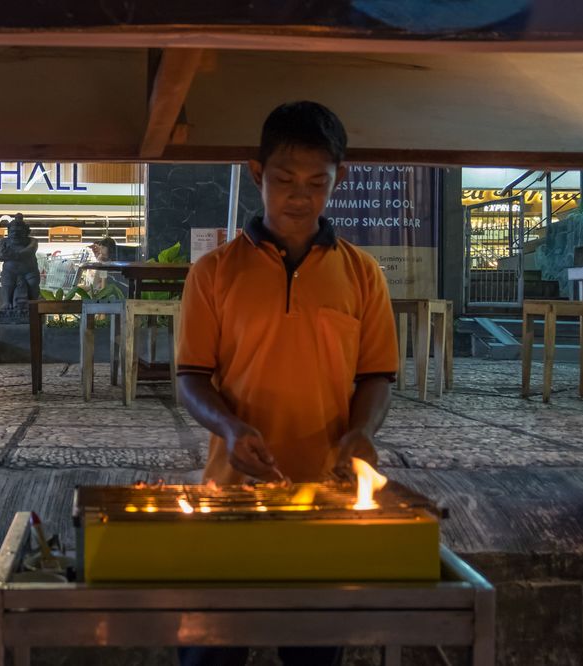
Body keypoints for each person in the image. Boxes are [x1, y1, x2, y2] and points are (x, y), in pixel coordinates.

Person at [176, 101, 399, 666]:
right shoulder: (215, 273)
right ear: (257, 174)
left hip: (323, 501)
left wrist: (361, 432)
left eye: (316, 182)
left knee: (314, 653)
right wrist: (228, 427)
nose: (300, 196)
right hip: (230, 494)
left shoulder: (361, 274)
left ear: (339, 179)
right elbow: (190, 378)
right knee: (209, 652)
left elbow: (376, 375)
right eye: (283, 180)